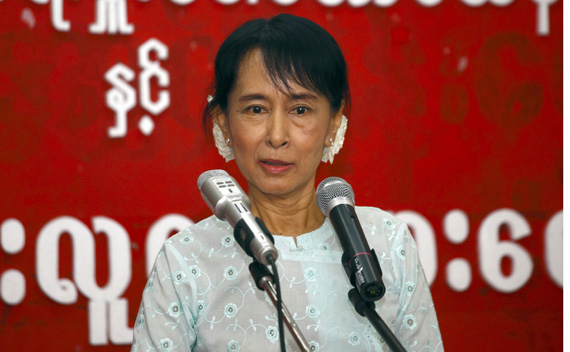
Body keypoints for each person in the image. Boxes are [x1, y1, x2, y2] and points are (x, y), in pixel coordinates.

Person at [131, 14, 443, 352]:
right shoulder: (187, 259)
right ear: (224, 124)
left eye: (300, 110)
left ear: (333, 125)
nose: (277, 136)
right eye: (255, 109)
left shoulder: (385, 241)